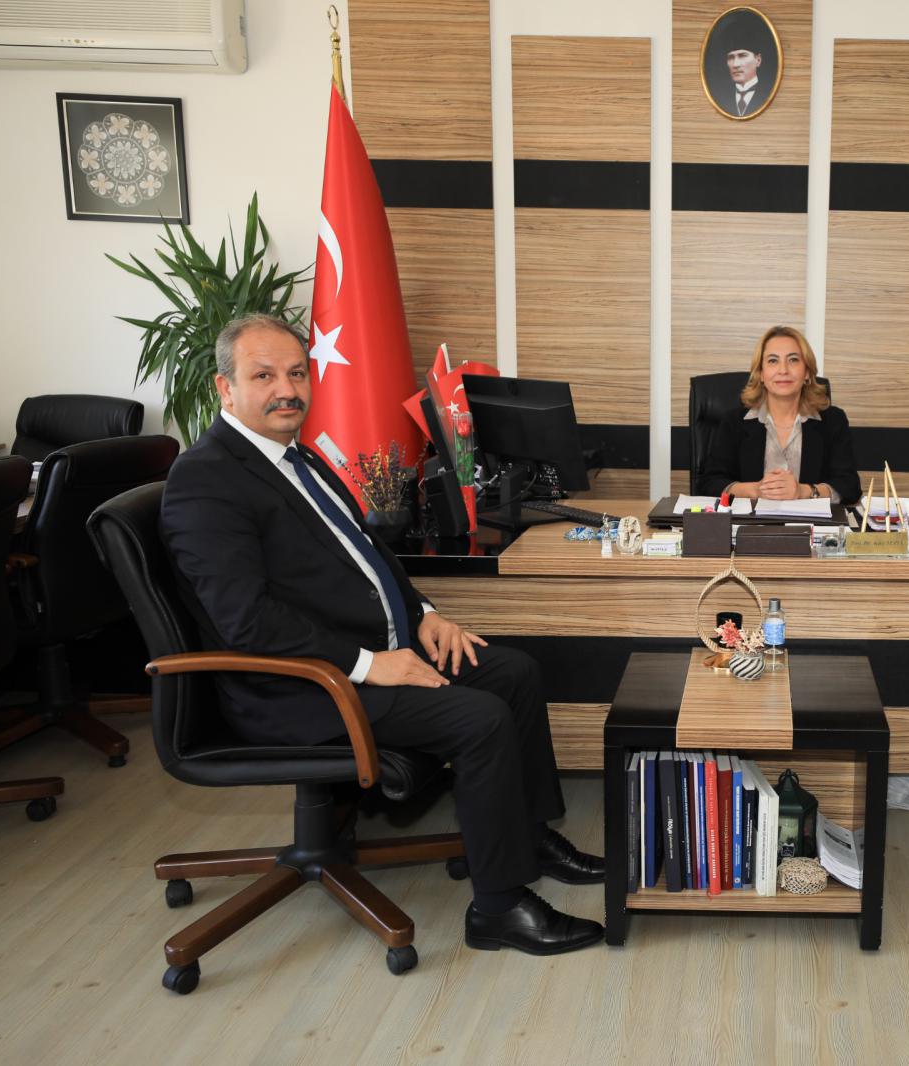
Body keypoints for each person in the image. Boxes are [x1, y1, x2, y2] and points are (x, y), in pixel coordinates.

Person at [160, 313, 605, 956]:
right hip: (299, 687)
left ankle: (525, 837)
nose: (287, 389)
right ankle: (499, 907)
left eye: (296, 373)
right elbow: (247, 621)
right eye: (264, 376)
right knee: (478, 718)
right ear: (225, 388)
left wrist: (424, 613)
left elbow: (370, 553)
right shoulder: (205, 479)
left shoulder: (299, 456)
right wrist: (370, 665)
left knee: (513, 672)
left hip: (365, 653)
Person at [694, 324, 860, 505]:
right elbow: (709, 484)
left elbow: (849, 486)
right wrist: (755, 490)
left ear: (807, 372)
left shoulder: (833, 421)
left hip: (809, 522)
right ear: (761, 374)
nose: (783, 370)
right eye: (773, 361)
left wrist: (804, 491)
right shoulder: (734, 422)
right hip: (750, 522)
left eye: (793, 360)